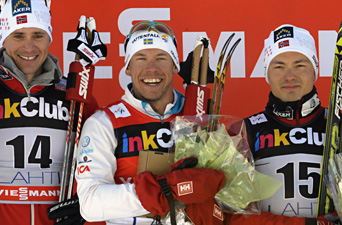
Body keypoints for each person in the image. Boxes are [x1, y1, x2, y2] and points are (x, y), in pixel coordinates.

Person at [47, 21, 226, 225]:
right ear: (128, 68)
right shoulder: (104, 123)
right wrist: (167, 190)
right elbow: (90, 203)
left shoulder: (200, 117)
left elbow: (229, 191)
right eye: (140, 58)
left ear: (175, 65)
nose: (152, 69)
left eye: (161, 58)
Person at [0, 0, 97, 224]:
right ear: (3, 37)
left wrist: (86, 204)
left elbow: (100, 166)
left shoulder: (75, 94)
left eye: (38, 35)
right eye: (18, 35)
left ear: (49, 37)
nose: (29, 47)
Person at [228, 24, 342, 224]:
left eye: (300, 65)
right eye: (279, 66)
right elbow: (234, 216)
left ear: (315, 70)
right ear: (267, 73)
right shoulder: (244, 131)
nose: (289, 76)